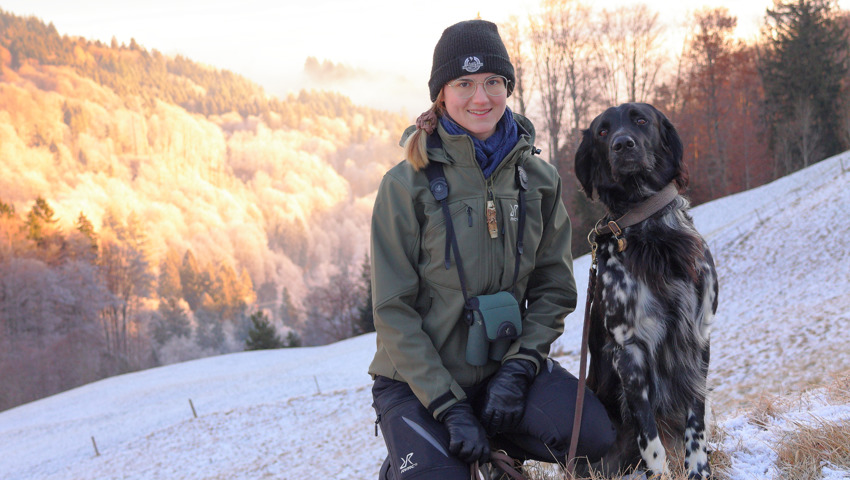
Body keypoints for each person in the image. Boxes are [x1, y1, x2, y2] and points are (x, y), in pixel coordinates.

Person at [368, 19, 614, 479]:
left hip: (502, 372)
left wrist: (519, 369)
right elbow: (391, 310)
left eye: (492, 82)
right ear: (441, 93)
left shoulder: (538, 180)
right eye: (464, 83)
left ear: (507, 87)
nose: (480, 98)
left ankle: (493, 441)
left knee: (595, 436)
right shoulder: (404, 187)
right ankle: (421, 457)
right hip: (417, 385)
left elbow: (554, 288)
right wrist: (448, 406)